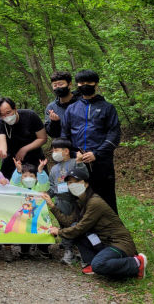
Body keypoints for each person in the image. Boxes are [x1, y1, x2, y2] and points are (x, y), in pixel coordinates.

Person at [41, 168, 147, 279]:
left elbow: (81, 227)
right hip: (104, 242)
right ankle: (91, 262)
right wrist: (52, 205)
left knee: (99, 265)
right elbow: (69, 222)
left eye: (75, 182)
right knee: (74, 229)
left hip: (119, 243)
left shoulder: (94, 202)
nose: (71, 185)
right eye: (69, 183)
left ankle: (136, 263)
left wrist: (59, 231)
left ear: (86, 184)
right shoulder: (80, 201)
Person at [60, 69, 121, 213]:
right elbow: (65, 135)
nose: (85, 85)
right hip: (77, 162)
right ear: (77, 85)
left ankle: (111, 233)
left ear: (96, 84)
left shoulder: (107, 108)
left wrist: (97, 154)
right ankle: (84, 232)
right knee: (79, 199)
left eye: (89, 82)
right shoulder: (71, 108)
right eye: (81, 83)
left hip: (101, 162)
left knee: (106, 199)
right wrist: (73, 154)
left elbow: (114, 134)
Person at [48, 137, 89, 265]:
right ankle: (68, 250)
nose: (54, 152)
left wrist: (80, 162)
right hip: (60, 202)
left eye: (56, 149)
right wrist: (46, 195)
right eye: (53, 150)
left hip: (75, 201)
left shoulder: (74, 163)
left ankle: (82, 251)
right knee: (63, 225)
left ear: (66, 151)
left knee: (76, 225)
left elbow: (84, 176)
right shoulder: (54, 169)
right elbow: (52, 187)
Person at [0, 97, 47, 180]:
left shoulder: (30, 116)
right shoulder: (0, 123)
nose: (6, 117)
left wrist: (25, 149)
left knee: (39, 185)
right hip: (13, 160)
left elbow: (43, 138)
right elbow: (1, 140)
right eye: (3, 115)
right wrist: (2, 151)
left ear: (15, 108)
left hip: (34, 157)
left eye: (8, 112)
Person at [44, 71, 79, 138]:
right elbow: (52, 134)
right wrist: (54, 122)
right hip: (63, 145)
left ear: (69, 84)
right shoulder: (51, 107)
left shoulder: (81, 102)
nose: (58, 87)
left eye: (61, 84)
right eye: (55, 85)